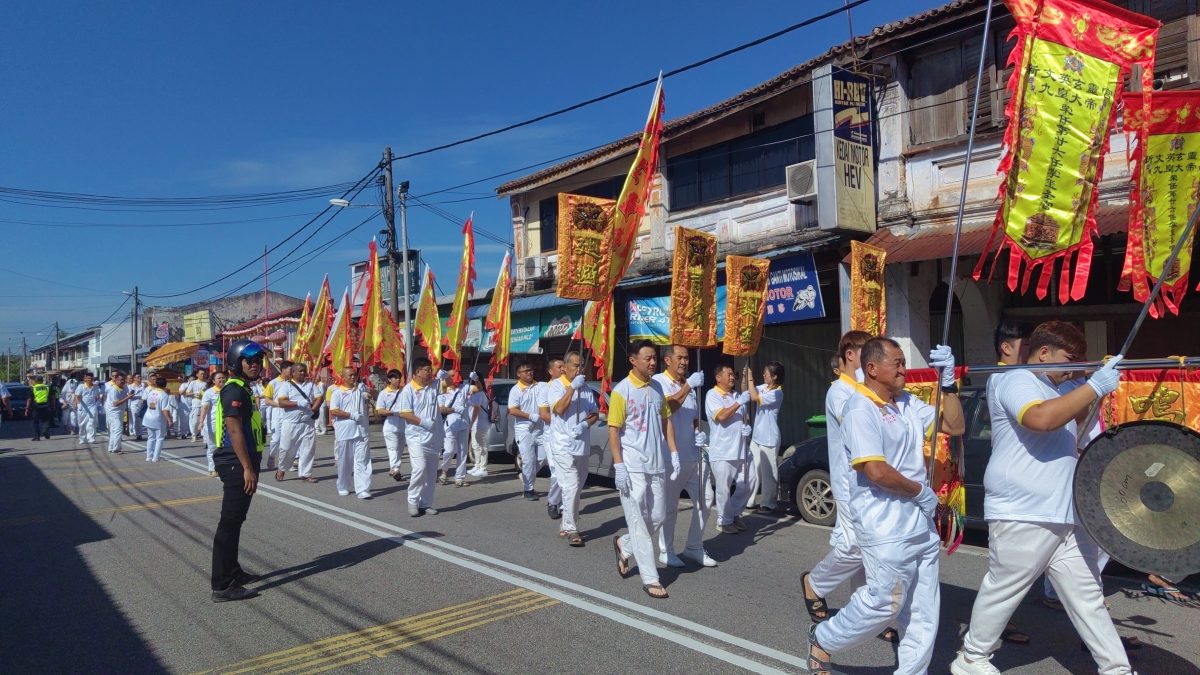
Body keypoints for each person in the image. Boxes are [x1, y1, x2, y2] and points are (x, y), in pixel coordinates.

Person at [951, 322, 1131, 675]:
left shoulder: (1053, 386)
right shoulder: (1015, 379)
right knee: (1004, 589)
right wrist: (1092, 385)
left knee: (1088, 598)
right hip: (1023, 508)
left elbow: (1075, 426)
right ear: (1043, 353)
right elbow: (1040, 419)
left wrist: (1089, 388)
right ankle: (971, 658)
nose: (1073, 366)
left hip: (1062, 509)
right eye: (1070, 359)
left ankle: (1116, 670)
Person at [809, 338, 964, 675]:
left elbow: (955, 425)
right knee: (884, 603)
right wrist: (920, 492)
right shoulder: (858, 408)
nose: (904, 370)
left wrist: (948, 384)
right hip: (884, 524)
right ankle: (825, 638)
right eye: (897, 362)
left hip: (918, 524)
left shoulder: (907, 403)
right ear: (872, 368)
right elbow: (876, 471)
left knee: (923, 610)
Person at [804, 330, 872, 624]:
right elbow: (859, 425)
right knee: (855, 546)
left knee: (869, 547)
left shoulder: (864, 389)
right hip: (848, 483)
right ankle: (815, 584)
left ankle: (865, 607)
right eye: (866, 354)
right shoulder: (840, 392)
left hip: (871, 482)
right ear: (850, 355)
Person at [609, 340, 678, 599]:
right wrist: (619, 465)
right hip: (633, 466)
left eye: (654, 358)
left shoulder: (657, 387)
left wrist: (674, 452)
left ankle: (624, 544)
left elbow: (666, 420)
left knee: (658, 517)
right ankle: (650, 578)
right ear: (633, 360)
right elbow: (613, 429)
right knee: (638, 521)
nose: (653, 363)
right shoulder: (622, 391)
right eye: (648, 358)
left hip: (656, 463)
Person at [210, 339, 267, 603]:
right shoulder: (234, 390)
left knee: (236, 520)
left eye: (257, 361)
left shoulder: (245, 389)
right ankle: (222, 585)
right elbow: (234, 431)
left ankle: (233, 571)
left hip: (241, 461)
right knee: (229, 523)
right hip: (235, 462)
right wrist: (247, 467)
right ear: (236, 363)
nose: (255, 365)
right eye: (249, 361)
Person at [653, 344, 715, 568]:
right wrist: (688, 385)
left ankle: (694, 546)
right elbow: (666, 408)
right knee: (670, 507)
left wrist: (699, 432)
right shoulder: (658, 382)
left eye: (687, 358)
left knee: (706, 499)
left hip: (694, 456)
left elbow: (694, 417)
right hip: (671, 457)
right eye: (679, 358)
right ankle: (665, 550)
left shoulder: (691, 385)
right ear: (667, 360)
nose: (684, 362)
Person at [546, 351, 598, 547]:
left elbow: (594, 413)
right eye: (575, 365)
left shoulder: (586, 388)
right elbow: (558, 409)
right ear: (565, 367)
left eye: (581, 365)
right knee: (571, 485)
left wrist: (585, 424)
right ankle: (571, 527)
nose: (579, 369)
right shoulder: (556, 386)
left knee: (578, 485)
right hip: (562, 444)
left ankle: (565, 523)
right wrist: (571, 389)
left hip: (581, 443)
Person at [398, 359, 449, 516]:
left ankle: (425, 503)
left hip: (434, 436)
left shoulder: (434, 385)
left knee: (431, 473)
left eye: (430, 369)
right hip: (416, 436)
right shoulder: (408, 390)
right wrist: (423, 422)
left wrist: (445, 376)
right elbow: (404, 413)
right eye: (427, 370)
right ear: (418, 372)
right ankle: (413, 500)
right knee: (419, 468)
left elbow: (449, 385)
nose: (430, 372)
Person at [705, 364, 752, 535]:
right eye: (729, 374)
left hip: (742, 448)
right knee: (724, 487)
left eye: (734, 375)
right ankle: (724, 521)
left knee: (748, 483)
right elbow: (722, 416)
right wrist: (739, 402)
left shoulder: (736, 396)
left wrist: (747, 427)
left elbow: (744, 418)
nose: (733, 377)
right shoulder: (713, 395)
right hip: (723, 450)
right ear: (718, 378)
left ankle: (734, 514)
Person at [744, 361, 785, 512]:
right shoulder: (764, 388)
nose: (763, 375)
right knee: (753, 469)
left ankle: (769, 503)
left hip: (769, 436)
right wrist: (745, 378)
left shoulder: (777, 393)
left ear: (774, 377)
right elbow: (749, 393)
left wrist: (750, 377)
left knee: (768, 472)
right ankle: (749, 499)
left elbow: (755, 398)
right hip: (757, 435)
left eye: (766, 373)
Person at [274, 363, 321, 484]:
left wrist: (313, 410)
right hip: (291, 423)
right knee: (286, 448)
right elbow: (282, 402)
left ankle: (306, 474)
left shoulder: (311, 385)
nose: (303, 373)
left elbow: (319, 398)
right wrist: (298, 403)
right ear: (293, 373)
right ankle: (282, 468)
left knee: (308, 449)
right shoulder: (286, 385)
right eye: (300, 371)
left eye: (304, 371)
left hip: (307, 422)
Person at [328, 366, 372, 499]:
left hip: (362, 430)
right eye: (350, 375)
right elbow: (333, 411)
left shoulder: (361, 389)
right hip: (345, 431)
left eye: (354, 375)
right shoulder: (337, 392)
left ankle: (363, 489)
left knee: (362, 460)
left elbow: (371, 395)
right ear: (343, 377)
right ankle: (343, 485)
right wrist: (351, 415)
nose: (353, 377)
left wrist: (367, 395)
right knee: (345, 461)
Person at [507, 361, 543, 501]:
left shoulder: (539, 386)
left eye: (531, 370)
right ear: (518, 374)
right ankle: (529, 489)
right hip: (524, 429)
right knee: (528, 460)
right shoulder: (516, 390)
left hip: (540, 428)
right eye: (526, 371)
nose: (529, 373)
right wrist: (530, 416)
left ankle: (526, 475)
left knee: (544, 457)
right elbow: (512, 410)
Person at [539, 358, 565, 519]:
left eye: (564, 366)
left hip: (568, 436)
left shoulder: (568, 386)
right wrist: (561, 425)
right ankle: (553, 501)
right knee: (556, 470)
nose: (563, 369)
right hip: (551, 435)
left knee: (569, 472)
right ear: (550, 371)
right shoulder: (545, 388)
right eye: (559, 367)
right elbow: (544, 414)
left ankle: (565, 504)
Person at [437, 375, 472, 488]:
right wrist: (454, 409)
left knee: (463, 451)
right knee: (449, 450)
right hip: (450, 425)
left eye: (456, 374)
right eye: (451, 375)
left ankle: (459, 478)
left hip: (464, 424)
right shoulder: (442, 392)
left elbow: (480, 389)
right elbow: (441, 409)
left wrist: (476, 379)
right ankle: (444, 471)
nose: (454, 377)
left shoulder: (464, 388)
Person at [375, 369, 408, 482]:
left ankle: (395, 468)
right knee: (392, 448)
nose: (398, 380)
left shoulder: (404, 391)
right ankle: (394, 469)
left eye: (399, 377)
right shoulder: (384, 393)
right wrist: (395, 413)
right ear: (389, 379)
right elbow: (380, 410)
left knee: (400, 449)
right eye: (395, 378)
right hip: (390, 426)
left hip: (403, 425)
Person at [261, 362, 293, 470]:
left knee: (289, 438)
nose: (292, 372)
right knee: (276, 439)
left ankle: (287, 461)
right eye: (290, 370)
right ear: (283, 369)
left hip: (290, 413)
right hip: (278, 414)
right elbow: (267, 400)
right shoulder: (273, 383)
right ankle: (272, 456)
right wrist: (280, 404)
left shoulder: (293, 383)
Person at [199, 371, 227, 476]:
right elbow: (204, 407)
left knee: (225, 447)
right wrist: (201, 422)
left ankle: (223, 467)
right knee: (212, 447)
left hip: (226, 424)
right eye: (219, 378)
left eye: (223, 378)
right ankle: (213, 468)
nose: (221, 380)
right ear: (214, 381)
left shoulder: (228, 390)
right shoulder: (209, 392)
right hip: (212, 424)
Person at [142, 376, 173, 462]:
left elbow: (150, 404)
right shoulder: (164, 395)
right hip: (158, 419)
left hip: (148, 417)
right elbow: (165, 409)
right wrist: (169, 420)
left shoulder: (151, 392)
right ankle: (156, 457)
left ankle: (149, 456)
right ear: (165, 385)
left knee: (151, 437)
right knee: (159, 438)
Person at [103, 371, 134, 454]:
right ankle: (116, 448)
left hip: (121, 411)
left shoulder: (124, 386)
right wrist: (128, 398)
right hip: (113, 411)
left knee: (114, 430)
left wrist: (130, 394)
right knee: (118, 429)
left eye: (123, 380)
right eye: (120, 380)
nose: (122, 381)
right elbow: (116, 403)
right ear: (116, 380)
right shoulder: (113, 390)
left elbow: (128, 393)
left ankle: (111, 447)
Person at [467, 379, 491, 477]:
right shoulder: (474, 395)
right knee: (475, 446)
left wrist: (471, 423)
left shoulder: (480, 394)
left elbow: (476, 410)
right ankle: (477, 465)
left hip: (481, 423)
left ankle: (483, 467)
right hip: (476, 424)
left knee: (482, 445)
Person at [181, 370, 209, 442]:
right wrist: (195, 393)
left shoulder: (206, 383)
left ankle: (204, 436)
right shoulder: (193, 383)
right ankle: (194, 434)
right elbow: (187, 393)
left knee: (205, 420)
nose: (203, 375)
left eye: (204, 373)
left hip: (205, 403)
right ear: (197, 375)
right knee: (195, 420)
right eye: (201, 374)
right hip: (196, 402)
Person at [74, 372, 101, 445]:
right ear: (85, 379)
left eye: (91, 378)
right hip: (83, 408)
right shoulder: (81, 386)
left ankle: (91, 438)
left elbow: (98, 396)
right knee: (82, 424)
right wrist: (78, 404)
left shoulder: (95, 387)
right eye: (88, 378)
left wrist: (97, 403)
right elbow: (77, 396)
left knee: (91, 422)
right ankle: (82, 438)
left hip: (92, 407)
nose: (90, 380)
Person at [27, 374, 53, 441]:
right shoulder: (48, 387)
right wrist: (53, 406)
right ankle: (45, 430)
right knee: (46, 420)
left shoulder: (33, 388)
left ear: (36, 381)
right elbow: (52, 398)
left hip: (36, 407)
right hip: (46, 406)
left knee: (36, 422)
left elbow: (29, 399)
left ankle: (37, 437)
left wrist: (27, 408)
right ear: (42, 380)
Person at [127, 373, 146, 440]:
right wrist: (134, 394)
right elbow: (129, 396)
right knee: (135, 420)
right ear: (134, 378)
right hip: (133, 405)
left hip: (142, 404)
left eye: (140, 376)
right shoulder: (130, 386)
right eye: (138, 377)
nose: (139, 378)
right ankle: (137, 434)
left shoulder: (143, 385)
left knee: (140, 420)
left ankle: (139, 433)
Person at [315, 370, 331, 435]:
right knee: (317, 417)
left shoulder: (321, 384)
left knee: (322, 417)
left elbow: (321, 394)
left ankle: (323, 429)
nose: (315, 378)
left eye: (316, 377)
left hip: (321, 402)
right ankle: (317, 429)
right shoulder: (316, 384)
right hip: (317, 402)